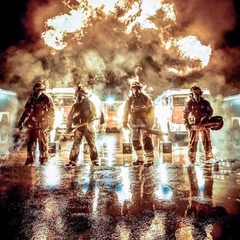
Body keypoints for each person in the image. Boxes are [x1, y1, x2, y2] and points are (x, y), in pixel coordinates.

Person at [18, 81, 55, 165]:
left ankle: (43, 159)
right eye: (36, 90)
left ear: (42, 90)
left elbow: (52, 113)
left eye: (39, 90)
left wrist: (51, 125)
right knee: (30, 143)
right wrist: (21, 121)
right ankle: (30, 159)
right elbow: (27, 111)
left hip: (43, 125)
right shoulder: (31, 99)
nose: (37, 92)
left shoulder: (47, 99)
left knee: (43, 143)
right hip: (32, 124)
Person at [122, 81, 155, 167]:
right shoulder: (129, 99)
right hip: (134, 123)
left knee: (146, 140)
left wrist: (151, 124)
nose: (136, 90)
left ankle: (150, 160)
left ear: (141, 89)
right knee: (135, 141)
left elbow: (151, 111)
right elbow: (125, 111)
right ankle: (140, 159)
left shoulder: (146, 98)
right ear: (131, 90)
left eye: (138, 89)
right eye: (134, 89)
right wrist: (124, 122)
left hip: (145, 123)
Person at [65, 86, 99, 167]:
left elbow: (95, 114)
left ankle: (95, 160)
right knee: (76, 144)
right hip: (78, 127)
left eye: (81, 94)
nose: (79, 96)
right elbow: (70, 117)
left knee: (91, 143)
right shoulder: (75, 106)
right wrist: (69, 126)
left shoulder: (90, 104)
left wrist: (91, 118)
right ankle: (72, 161)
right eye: (78, 95)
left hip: (88, 126)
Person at [183, 86, 214, 164]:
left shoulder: (205, 103)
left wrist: (207, 117)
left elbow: (210, 111)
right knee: (193, 142)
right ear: (191, 94)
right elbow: (185, 114)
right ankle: (192, 159)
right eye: (194, 93)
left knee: (207, 141)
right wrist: (186, 123)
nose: (196, 95)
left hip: (204, 125)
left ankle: (208, 158)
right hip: (193, 126)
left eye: (197, 93)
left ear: (200, 93)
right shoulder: (189, 104)